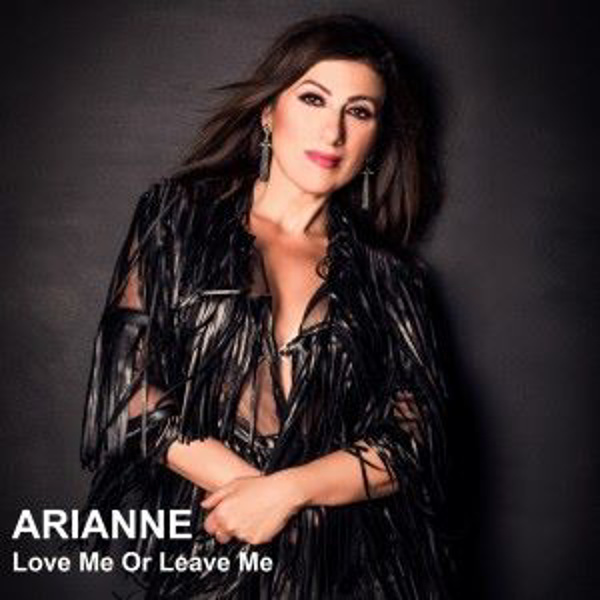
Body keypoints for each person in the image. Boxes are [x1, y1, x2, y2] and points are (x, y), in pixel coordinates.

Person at [80, 14, 455, 600]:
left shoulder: (390, 277)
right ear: (267, 112)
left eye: (359, 111)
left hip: (351, 574)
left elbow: (415, 435)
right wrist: (251, 494)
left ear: (376, 138)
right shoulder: (177, 218)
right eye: (313, 98)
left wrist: (287, 494)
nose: (332, 131)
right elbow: (125, 389)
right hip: (210, 553)